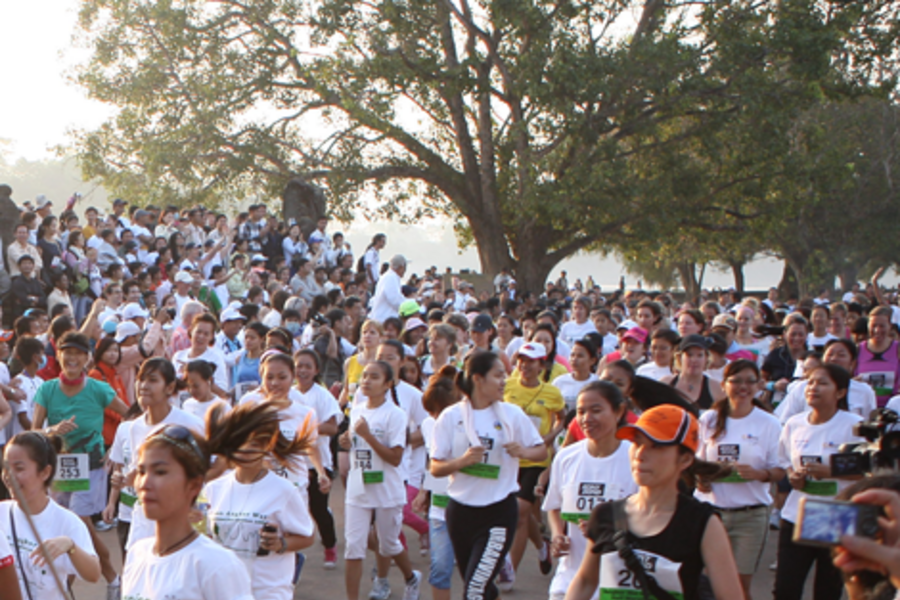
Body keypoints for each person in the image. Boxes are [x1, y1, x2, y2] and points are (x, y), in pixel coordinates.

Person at [565, 404, 742, 600]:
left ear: (684, 459)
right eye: (637, 443)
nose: (640, 454)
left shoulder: (702, 523)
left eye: (656, 446)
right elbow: (585, 581)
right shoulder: (606, 515)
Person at [431, 351, 547, 600]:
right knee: (480, 587)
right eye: (498, 375)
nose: (504, 381)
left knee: (473, 591)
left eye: (504, 376)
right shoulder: (451, 417)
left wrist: (523, 450)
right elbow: (436, 467)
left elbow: (541, 451)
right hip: (460, 513)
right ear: (478, 379)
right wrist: (462, 462)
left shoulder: (512, 414)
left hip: (498, 512)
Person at [30, 331, 127, 597]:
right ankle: (90, 579)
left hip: (92, 465)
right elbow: (34, 431)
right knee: (67, 523)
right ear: (58, 356)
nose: (71, 358)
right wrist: (52, 431)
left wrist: (115, 449)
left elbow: (130, 416)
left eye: (77, 353)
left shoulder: (98, 388)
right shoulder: (47, 389)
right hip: (59, 467)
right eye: (66, 352)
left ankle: (100, 576)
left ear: (86, 358)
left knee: (77, 520)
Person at [123, 409, 254, 599]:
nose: (145, 483)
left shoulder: (217, 565)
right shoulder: (137, 554)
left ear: (193, 485)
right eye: (142, 471)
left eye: (160, 472)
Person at [204, 402, 316, 600]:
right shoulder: (214, 489)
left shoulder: (283, 491)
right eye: (240, 441)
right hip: (225, 591)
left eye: (255, 443)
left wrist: (280, 543)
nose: (246, 449)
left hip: (266, 592)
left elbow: (307, 537)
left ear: (268, 445)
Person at [774, 364, 866, 600]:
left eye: (823, 383)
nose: (813, 387)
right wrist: (793, 475)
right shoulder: (795, 423)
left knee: (827, 590)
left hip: (835, 514)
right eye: (811, 381)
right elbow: (785, 460)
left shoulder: (853, 425)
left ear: (840, 392)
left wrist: (830, 470)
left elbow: (865, 471)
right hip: (797, 514)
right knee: (786, 589)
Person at [696, 360, 784, 600]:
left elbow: (780, 470)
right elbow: (696, 462)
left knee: (738, 586)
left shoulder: (770, 423)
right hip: (711, 513)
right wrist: (700, 478)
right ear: (724, 384)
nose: (743, 387)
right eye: (736, 381)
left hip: (750, 515)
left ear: (759, 386)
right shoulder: (709, 420)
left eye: (749, 381)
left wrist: (760, 474)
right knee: (706, 583)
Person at [543, 381, 638, 600]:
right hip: (570, 577)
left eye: (596, 410)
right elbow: (554, 506)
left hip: (617, 580)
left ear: (619, 411)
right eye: (580, 412)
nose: (587, 418)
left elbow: (648, 515)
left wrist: (605, 531)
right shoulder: (566, 458)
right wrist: (558, 535)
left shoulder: (635, 458)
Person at [339, 360, 422, 600]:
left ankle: (410, 577)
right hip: (359, 487)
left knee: (388, 544)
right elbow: (356, 443)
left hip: (387, 489)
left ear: (387, 384)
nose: (366, 381)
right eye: (364, 376)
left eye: (374, 377)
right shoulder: (357, 409)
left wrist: (367, 436)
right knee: (354, 547)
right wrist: (347, 441)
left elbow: (395, 457)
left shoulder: (395, 415)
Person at [1, 431, 102, 600]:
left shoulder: (67, 522)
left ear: (45, 472)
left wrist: (71, 547)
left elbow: (94, 574)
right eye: (6, 468)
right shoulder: (2, 513)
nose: (8, 476)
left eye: (19, 468)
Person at [413, 366, 460, 600]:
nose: (436, 418)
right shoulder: (428, 425)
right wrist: (423, 491)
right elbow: (433, 462)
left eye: (440, 411)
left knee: (475, 572)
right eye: (431, 412)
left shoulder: (469, 424)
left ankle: (502, 565)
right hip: (440, 508)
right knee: (440, 568)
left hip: (470, 507)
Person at [293, 349, 342, 569]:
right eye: (299, 365)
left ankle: (330, 546)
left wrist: (306, 427)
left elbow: (332, 427)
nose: (302, 370)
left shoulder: (322, 395)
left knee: (318, 509)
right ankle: (292, 553)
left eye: (307, 366)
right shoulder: (290, 393)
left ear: (316, 370)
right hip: (292, 463)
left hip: (319, 462)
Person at [662, 334, 727, 411]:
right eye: (689, 355)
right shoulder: (666, 383)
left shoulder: (716, 388)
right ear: (679, 357)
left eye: (700, 355)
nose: (694, 360)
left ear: (706, 358)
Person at [856, 306, 900, 407]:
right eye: (873, 326)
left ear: (890, 326)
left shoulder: (897, 348)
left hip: (893, 410)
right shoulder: (858, 349)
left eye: (882, 326)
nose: (877, 330)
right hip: (864, 408)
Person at [551, 338, 600, 416]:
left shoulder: (598, 383)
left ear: (592, 360)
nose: (574, 359)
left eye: (580, 356)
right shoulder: (559, 382)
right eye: (572, 355)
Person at [370, 254, 406, 323]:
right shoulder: (391, 277)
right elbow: (395, 300)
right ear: (401, 267)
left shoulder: (390, 276)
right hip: (384, 319)